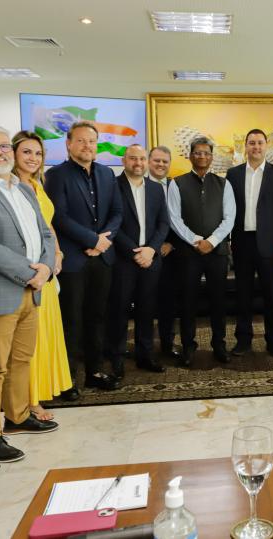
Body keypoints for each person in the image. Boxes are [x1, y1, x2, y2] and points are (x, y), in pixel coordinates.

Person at [0, 126, 59, 464]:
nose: (0, 152)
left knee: (21, 360)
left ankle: (18, 417)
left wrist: (46, 270)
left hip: (32, 290)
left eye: (4, 146)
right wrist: (30, 272)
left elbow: (45, 234)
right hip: (1, 291)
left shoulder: (24, 189)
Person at [44, 121, 122, 392]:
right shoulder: (56, 175)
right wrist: (93, 240)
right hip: (74, 261)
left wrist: (103, 242)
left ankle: (95, 371)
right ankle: (68, 381)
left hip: (102, 260)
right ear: (68, 144)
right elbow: (59, 217)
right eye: (81, 141)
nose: (87, 146)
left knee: (97, 317)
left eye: (92, 141)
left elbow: (117, 212)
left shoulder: (107, 174)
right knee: (72, 321)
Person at [11, 130, 73, 419]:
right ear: (13, 154)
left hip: (47, 270)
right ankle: (29, 401)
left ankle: (43, 389)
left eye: (37, 153)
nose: (33, 158)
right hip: (28, 271)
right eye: (26, 152)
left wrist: (57, 254)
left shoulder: (38, 184)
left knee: (45, 333)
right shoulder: (9, 186)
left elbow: (48, 226)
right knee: (29, 342)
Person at [226, 129, 273, 357]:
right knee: (242, 295)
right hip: (242, 242)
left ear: (267, 146)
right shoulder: (233, 174)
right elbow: (227, 210)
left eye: (260, 143)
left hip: (270, 243)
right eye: (252, 143)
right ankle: (243, 341)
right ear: (245, 146)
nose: (256, 147)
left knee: (271, 295)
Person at [169, 136, 236, 365]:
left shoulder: (224, 184)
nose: (202, 157)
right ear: (190, 156)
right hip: (189, 253)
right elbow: (174, 218)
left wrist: (213, 241)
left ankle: (219, 345)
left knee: (218, 301)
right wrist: (197, 241)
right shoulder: (176, 184)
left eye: (206, 153)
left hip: (217, 253)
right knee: (188, 301)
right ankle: (189, 346)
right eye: (197, 153)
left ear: (211, 157)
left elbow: (230, 218)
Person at [105, 145, 170, 376]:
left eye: (142, 159)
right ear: (124, 160)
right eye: (133, 158)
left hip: (150, 261)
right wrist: (135, 252)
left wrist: (151, 250)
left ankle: (145, 355)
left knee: (147, 309)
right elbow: (112, 224)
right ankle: (117, 358)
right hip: (124, 260)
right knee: (119, 310)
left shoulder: (155, 189)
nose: (138, 163)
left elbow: (163, 223)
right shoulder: (112, 186)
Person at [147, 145, 181, 359]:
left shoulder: (175, 186)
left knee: (169, 303)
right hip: (146, 253)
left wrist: (171, 243)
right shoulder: (140, 184)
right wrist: (151, 246)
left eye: (165, 162)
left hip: (171, 254)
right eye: (157, 160)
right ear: (149, 162)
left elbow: (183, 219)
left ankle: (168, 344)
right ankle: (145, 346)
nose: (160, 165)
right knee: (146, 302)